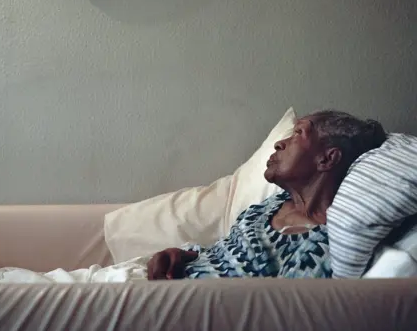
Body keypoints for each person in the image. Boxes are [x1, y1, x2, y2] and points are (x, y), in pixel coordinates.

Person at [147, 110, 387, 280]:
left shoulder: (322, 246)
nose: (279, 144)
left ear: (327, 158)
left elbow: (274, 311)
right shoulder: (269, 206)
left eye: (298, 133)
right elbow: (222, 255)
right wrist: (179, 256)